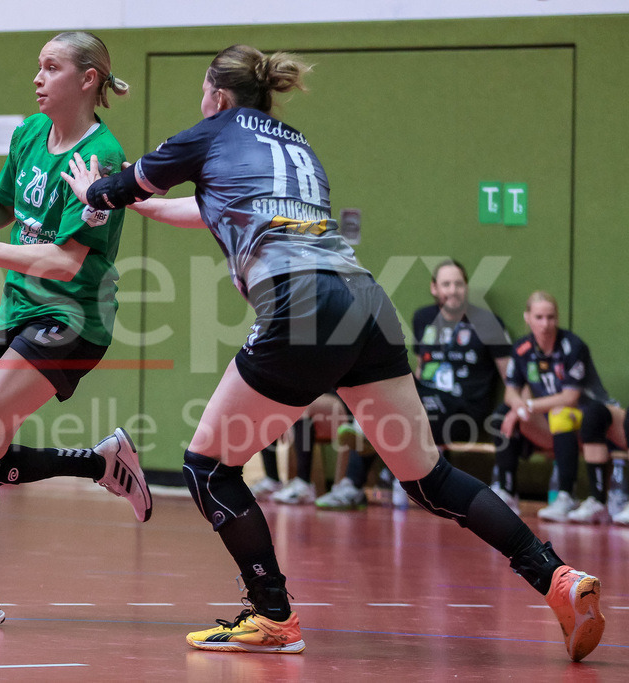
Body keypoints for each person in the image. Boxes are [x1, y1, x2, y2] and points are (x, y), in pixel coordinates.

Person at [63, 44, 604, 661]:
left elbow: (124, 185)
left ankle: (273, 617)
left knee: (208, 466)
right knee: (429, 479)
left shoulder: (211, 130)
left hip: (302, 304)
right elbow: (212, 205)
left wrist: (95, 189)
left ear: (216, 94)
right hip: (365, 302)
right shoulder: (296, 145)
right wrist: (145, 203)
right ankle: (556, 576)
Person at [0, 31, 150, 629]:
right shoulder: (28, 133)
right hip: (18, 312)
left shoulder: (101, 157)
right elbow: (5, 207)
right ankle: (101, 465)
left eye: (50, 67)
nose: (37, 78)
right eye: (37, 68)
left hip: (73, 319)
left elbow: (67, 261)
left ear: (88, 78)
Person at [315, 258, 511, 510]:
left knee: (386, 408)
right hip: (428, 402)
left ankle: (362, 475)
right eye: (446, 284)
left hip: (464, 411)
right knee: (388, 406)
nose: (452, 290)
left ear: (466, 287)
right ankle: (352, 486)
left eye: (458, 284)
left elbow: (510, 376)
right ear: (434, 288)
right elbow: (420, 369)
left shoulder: (487, 322)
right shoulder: (424, 318)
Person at [493, 291, 627, 523]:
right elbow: (510, 391)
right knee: (502, 416)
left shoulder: (572, 346)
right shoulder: (523, 349)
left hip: (595, 420)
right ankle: (507, 491)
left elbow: (570, 397)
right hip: (555, 424)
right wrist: (517, 407)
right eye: (539, 317)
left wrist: (529, 405)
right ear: (527, 318)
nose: (545, 324)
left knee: (560, 413)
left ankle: (567, 495)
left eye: (551, 317)